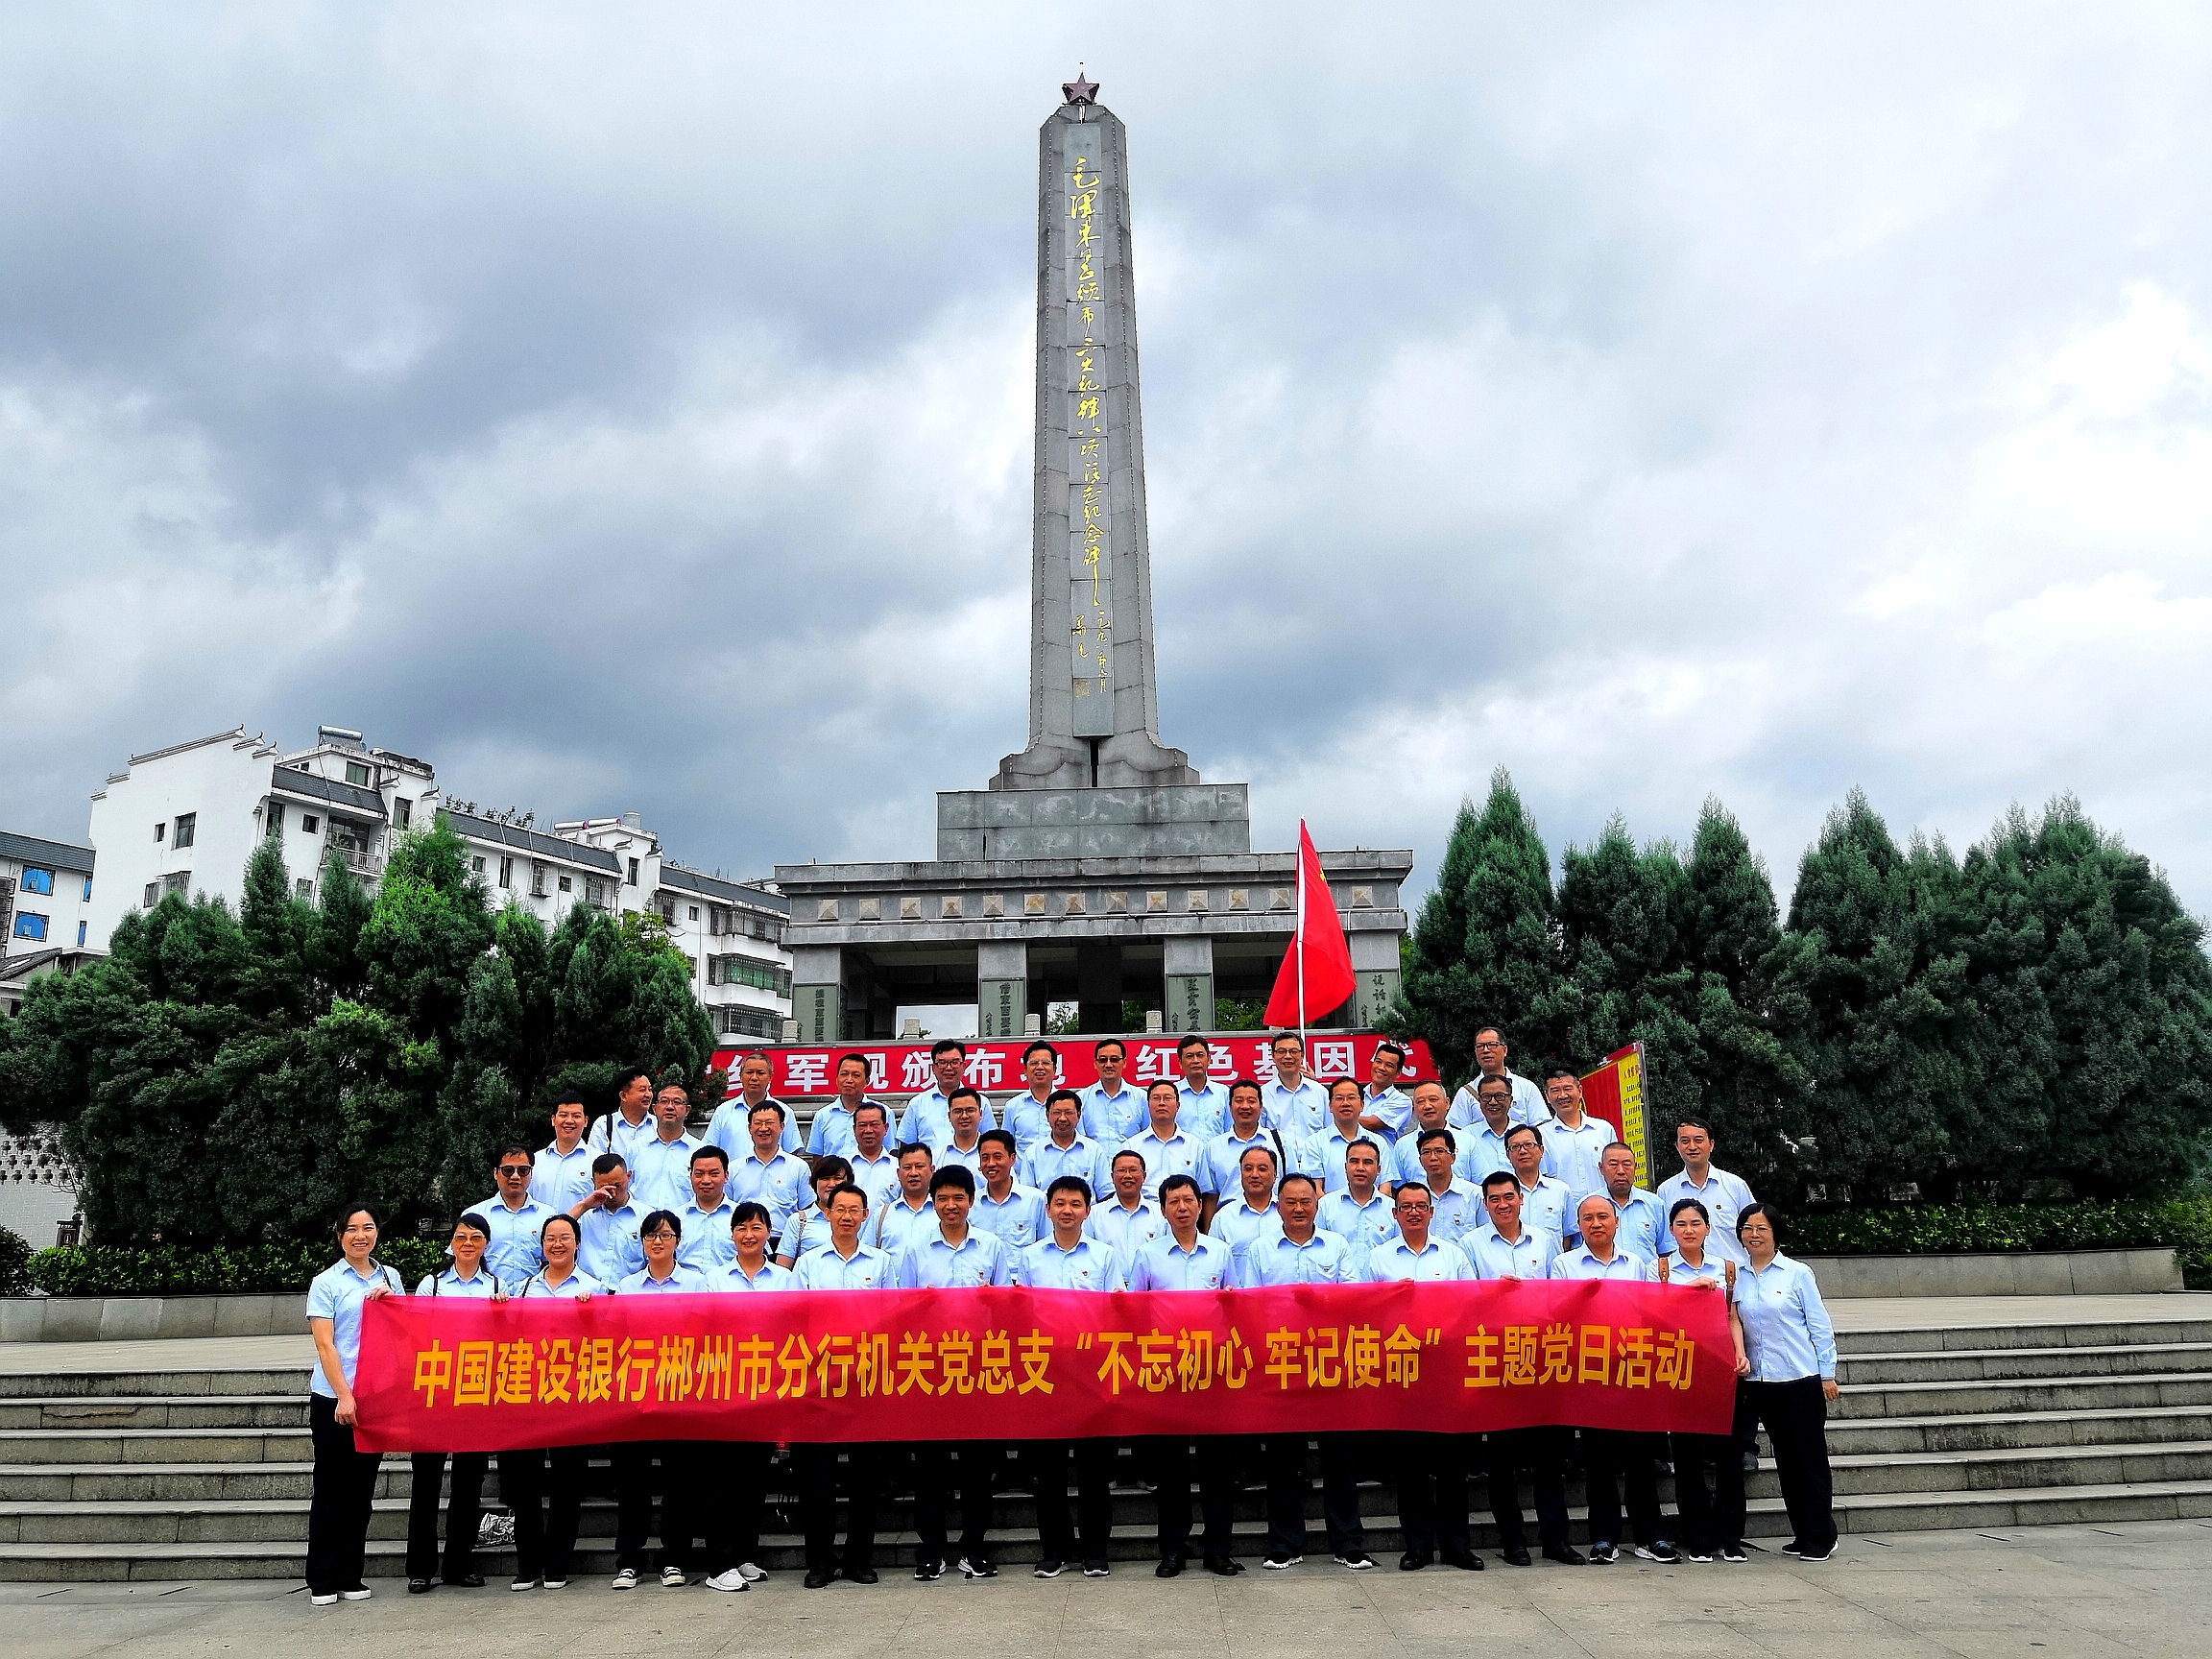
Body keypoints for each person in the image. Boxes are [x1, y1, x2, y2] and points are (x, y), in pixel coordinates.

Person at [1238, 1173, 1371, 1572]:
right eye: (1291, 1202)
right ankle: (1284, 1543)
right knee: (1282, 1462)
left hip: (1331, 1365)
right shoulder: (1261, 1250)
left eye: (1306, 1201)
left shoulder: (1337, 1245)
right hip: (1281, 1366)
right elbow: (1250, 1305)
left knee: (1340, 1461)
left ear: (1317, 1205)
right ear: (1279, 1205)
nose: (1299, 1208)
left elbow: (1352, 1297)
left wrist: (1314, 1300)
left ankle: (1347, 1542)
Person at [896, 1166, 1011, 1580]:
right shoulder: (915, 1250)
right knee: (931, 1471)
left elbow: (1005, 1309)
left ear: (970, 1200)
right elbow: (902, 1310)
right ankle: (931, 1551)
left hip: (979, 1371)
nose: (950, 1206)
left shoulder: (992, 1246)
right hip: (929, 1372)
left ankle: (973, 1549)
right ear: (933, 1202)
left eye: (958, 1198)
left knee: (977, 1470)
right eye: (942, 1198)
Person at [1013, 1176, 1125, 1577]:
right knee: (1050, 1472)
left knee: (1094, 1472)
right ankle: (1055, 1549)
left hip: (1093, 1372)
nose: (1066, 1210)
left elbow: (1115, 1309)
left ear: (1087, 1210)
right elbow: (1022, 1313)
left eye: (1075, 1204)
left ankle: (1095, 1550)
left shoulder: (1105, 1256)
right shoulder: (1030, 1257)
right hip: (1046, 1373)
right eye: (1059, 1203)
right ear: (1047, 1210)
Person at [1127, 1173, 1238, 1576]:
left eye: (1189, 1199)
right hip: (1166, 1373)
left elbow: (1235, 1307)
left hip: (1212, 1373)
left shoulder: (1220, 1252)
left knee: (1217, 1469)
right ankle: (1173, 1548)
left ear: (1199, 1205)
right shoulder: (1148, 1255)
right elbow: (1135, 1313)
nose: (1183, 1207)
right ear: (1163, 1209)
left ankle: (1218, 1548)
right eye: (1174, 1201)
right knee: (1171, 1468)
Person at [1363, 1184, 1478, 1572]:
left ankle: (1457, 1546)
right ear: (1394, 1214)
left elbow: (1470, 1306)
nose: (1413, 1213)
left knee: (1451, 1467)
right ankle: (1417, 1546)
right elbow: (1369, 1313)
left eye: (1420, 1207)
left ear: (1432, 1212)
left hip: (1446, 1369)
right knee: (1411, 1467)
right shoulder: (1378, 1259)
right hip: (1403, 1371)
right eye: (1405, 1207)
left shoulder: (1454, 1256)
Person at [1551, 1195, 1670, 1564]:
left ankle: (1651, 1536)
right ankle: (1604, 1537)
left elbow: (1653, 1312)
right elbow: (1556, 1312)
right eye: (1587, 1218)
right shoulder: (1564, 1264)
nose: (1596, 1223)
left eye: (1603, 1216)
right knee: (1598, 1461)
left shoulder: (1637, 1264)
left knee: (1640, 1460)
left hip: (1632, 1372)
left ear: (1617, 1222)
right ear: (1579, 1225)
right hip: (1588, 1373)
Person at [790, 1183, 896, 1587]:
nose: (847, 1216)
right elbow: (797, 1319)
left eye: (855, 1210)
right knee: (817, 1483)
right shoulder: (809, 1264)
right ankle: (819, 1562)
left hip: (866, 1383)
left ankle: (858, 1560)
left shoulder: (882, 1262)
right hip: (819, 1383)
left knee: (864, 1482)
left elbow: (891, 1318)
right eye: (840, 1209)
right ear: (827, 1213)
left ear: (865, 1216)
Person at [304, 1203, 402, 1606]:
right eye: (352, 1229)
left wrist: (392, 1301)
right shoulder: (326, 1282)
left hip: (375, 1397)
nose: (361, 1235)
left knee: (361, 1491)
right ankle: (321, 1577)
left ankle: (350, 1573)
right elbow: (326, 1345)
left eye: (368, 1228)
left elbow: (401, 1331)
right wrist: (344, 1394)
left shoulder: (390, 1277)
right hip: (333, 1396)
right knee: (331, 1488)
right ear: (340, 1235)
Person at [406, 1213, 509, 1595]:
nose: (468, 1243)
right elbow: (413, 1330)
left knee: (468, 1484)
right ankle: (420, 1568)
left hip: (477, 1394)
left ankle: (459, 1564)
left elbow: (508, 1336)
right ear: (450, 1243)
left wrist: (503, 1311)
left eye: (477, 1237)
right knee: (426, 1484)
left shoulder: (498, 1286)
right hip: (434, 1393)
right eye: (462, 1236)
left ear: (486, 1245)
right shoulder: (431, 1284)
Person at [1735, 1202, 1839, 1561]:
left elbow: (1819, 1324)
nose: (1754, 1235)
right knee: (1785, 1460)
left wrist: (1827, 1373)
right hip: (1759, 1381)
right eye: (1748, 1228)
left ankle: (1820, 1536)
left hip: (1799, 1378)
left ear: (1776, 1232)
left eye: (1761, 1228)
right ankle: (1803, 1531)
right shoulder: (1738, 1276)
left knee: (1808, 1459)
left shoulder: (1796, 1273)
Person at [506, 1214, 602, 1593]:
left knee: (568, 1484)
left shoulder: (595, 1288)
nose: (557, 1244)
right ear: (542, 1245)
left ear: (577, 1243)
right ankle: (527, 1565)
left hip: (573, 1398)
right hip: (528, 1398)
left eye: (565, 1237)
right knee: (524, 1485)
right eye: (550, 1238)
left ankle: (558, 1563)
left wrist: (594, 1311)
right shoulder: (523, 1289)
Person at [610, 1213, 706, 1590]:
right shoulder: (627, 1285)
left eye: (665, 1234)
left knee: (678, 1483)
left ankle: (674, 1558)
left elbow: (704, 1334)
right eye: (651, 1234)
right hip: (636, 1396)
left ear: (678, 1240)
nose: (658, 1241)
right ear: (642, 1241)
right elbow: (618, 1337)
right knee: (632, 1484)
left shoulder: (696, 1283)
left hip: (681, 1394)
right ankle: (629, 1560)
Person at [1652, 1198, 1750, 1563]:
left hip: (1720, 1369)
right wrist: (1687, 1291)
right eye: (1680, 1224)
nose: (1688, 1230)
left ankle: (1731, 1536)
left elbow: (1732, 1317)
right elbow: (1654, 1317)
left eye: (1695, 1223)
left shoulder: (1727, 1269)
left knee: (1729, 1458)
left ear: (1708, 1228)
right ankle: (1698, 1535)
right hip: (1679, 1370)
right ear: (1671, 1230)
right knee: (1688, 1459)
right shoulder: (1659, 1269)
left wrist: (1739, 1353)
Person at [1657, 1118, 1757, 1266]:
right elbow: (1665, 1241)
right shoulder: (1665, 1191)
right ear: (1677, 1146)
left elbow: (1754, 1230)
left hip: (1733, 1276)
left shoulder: (1735, 1186)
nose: (1692, 1146)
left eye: (1698, 1140)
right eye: (1685, 1141)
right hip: (1686, 1278)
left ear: (1711, 1144)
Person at [1196, 1079, 1282, 1226]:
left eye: (1251, 1101)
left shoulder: (1280, 1142)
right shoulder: (1214, 1147)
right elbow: (1210, 1197)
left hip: (1275, 1220)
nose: (1245, 1106)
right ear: (1230, 1107)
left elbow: (1291, 1185)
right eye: (1239, 1101)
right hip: (1229, 1223)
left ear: (1261, 1106)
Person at [726, 1099, 811, 1243]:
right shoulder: (734, 1169)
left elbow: (807, 1210)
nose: (763, 1128)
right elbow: (727, 1209)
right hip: (745, 1242)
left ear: (782, 1126)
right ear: (749, 1128)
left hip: (786, 1244)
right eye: (758, 1123)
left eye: (769, 1123)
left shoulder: (798, 1167)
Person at [1536, 1065, 1615, 1214]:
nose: (1562, 1096)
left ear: (1579, 1091)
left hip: (1603, 1214)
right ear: (1547, 1096)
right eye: (1555, 1091)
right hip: (1562, 1215)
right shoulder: (1540, 1135)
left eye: (1567, 1089)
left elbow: (1615, 1170)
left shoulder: (1603, 1129)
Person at [705, 1049, 804, 1161]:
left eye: (760, 1073)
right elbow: (709, 1150)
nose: (754, 1078)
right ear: (740, 1076)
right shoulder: (723, 1111)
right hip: (733, 1177)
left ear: (770, 1077)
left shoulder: (784, 1112)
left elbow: (792, 1154)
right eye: (749, 1072)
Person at [1316, 1139, 1399, 1270]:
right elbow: (1317, 1251)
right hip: (1338, 1287)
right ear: (1345, 1167)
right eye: (1354, 1161)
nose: (1360, 1168)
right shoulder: (1325, 1206)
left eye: (1367, 1162)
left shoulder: (1393, 1209)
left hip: (1380, 1287)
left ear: (1378, 1170)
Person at [900, 1039, 996, 1150]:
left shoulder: (981, 1102)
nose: (948, 1068)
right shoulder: (917, 1104)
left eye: (954, 1062)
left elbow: (992, 1141)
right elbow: (906, 1147)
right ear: (933, 1068)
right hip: (932, 1166)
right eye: (942, 1063)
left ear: (964, 1066)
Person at [1465, 1170, 1558, 1281]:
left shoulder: (1542, 1240)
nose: (1503, 1205)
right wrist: (1494, 1290)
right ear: (1485, 1204)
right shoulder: (1470, 1244)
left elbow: (1555, 1288)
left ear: (1521, 1198)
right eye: (1495, 1199)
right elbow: (1466, 1294)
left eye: (1509, 1197)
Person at [1019, 1087, 1110, 1199]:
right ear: (1047, 1115)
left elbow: (1105, 1193)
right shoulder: (1033, 1153)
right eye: (1056, 1113)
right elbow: (1027, 1196)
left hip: (1087, 1215)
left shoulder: (1094, 1150)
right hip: (1046, 1215)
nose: (1062, 1118)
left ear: (1079, 1115)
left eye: (1068, 1113)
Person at [1205, 1143, 1282, 1277]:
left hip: (1280, 1295)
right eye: (1248, 1169)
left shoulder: (1287, 1215)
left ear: (1275, 1175)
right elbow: (1212, 1265)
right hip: (1239, 1295)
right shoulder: (1224, 1218)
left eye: (1262, 1169)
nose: (1254, 1175)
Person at [628, 1082, 705, 1214]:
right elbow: (626, 1189)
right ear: (654, 1108)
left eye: (677, 1102)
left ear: (687, 1110)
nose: (670, 1107)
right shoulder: (636, 1148)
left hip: (683, 1227)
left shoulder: (699, 1151)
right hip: (642, 1226)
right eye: (664, 1101)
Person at [477, 1144, 549, 1286]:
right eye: (508, 1170)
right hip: (488, 1299)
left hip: (532, 1298)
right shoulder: (477, 1215)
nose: (515, 1176)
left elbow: (554, 1262)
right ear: (495, 1173)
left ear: (531, 1173)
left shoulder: (547, 1216)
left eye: (523, 1170)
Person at [1086, 1149, 1167, 1272]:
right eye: (1121, 1171)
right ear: (1112, 1177)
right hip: (1107, 1287)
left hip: (1151, 1287)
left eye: (1133, 1170)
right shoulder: (1094, 1214)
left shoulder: (1161, 1214)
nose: (1127, 1176)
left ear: (1144, 1176)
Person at [1450, 1025, 1549, 1127]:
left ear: (1505, 1050)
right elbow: (1457, 1132)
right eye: (1480, 1046)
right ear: (1475, 1052)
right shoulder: (1466, 1093)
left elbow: (1541, 1128)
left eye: (1492, 1045)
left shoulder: (1527, 1088)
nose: (1486, 1050)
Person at [1119, 1078, 1201, 1199]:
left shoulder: (1194, 1145)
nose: (1161, 1103)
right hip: (1144, 1212)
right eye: (1156, 1098)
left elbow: (1204, 1191)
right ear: (1148, 1105)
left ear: (1178, 1105)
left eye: (1167, 1098)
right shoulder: (1131, 1146)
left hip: (1182, 1212)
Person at [570, 1153, 643, 1286]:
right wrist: (584, 1205)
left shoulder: (645, 1217)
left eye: (617, 1186)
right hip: (588, 1293)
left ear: (628, 1177)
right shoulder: (584, 1215)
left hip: (628, 1294)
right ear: (594, 1182)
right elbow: (555, 1230)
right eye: (605, 1188)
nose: (613, 1193)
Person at [773, 1156, 855, 1269]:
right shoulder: (798, 1220)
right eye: (825, 1178)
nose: (831, 1184)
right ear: (814, 1182)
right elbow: (782, 1270)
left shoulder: (858, 1218)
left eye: (837, 1178)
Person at [1407, 1128, 1484, 1248]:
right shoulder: (1411, 1196)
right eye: (1426, 1152)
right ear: (1420, 1160)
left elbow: (1484, 1236)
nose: (1433, 1157)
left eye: (1439, 1151)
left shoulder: (1474, 1195)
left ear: (1452, 1157)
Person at [972, 1129, 1048, 1249]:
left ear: (1012, 1159)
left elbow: (1046, 1245)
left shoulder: (1035, 1200)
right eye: (985, 1157)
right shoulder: (972, 1204)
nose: (991, 1163)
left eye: (997, 1157)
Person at [1392, 1080, 1475, 1187]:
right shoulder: (1402, 1145)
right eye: (1420, 1101)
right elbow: (1398, 1189)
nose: (1427, 1106)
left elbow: (1479, 1184)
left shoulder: (1467, 1141)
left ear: (1447, 1103)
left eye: (1433, 1099)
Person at [1599, 1142, 1671, 1263]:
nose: (1621, 1171)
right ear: (1601, 1168)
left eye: (1627, 1164)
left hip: (1647, 1280)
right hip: (1605, 1281)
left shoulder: (1655, 1204)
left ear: (1635, 1167)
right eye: (1613, 1164)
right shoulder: (1588, 1206)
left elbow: (1667, 1251)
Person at [674, 1145, 739, 1274]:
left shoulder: (742, 1217)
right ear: (690, 1176)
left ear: (726, 1176)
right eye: (699, 1174)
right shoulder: (675, 1219)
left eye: (713, 1174)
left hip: (728, 1288)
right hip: (686, 1290)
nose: (706, 1180)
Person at [1503, 1125, 1574, 1243]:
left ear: (1541, 1150)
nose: (1522, 1151)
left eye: (1528, 1145)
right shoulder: (1501, 1194)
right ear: (1508, 1156)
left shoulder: (1560, 1190)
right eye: (1515, 1147)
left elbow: (1568, 1236)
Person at [802, 1051, 878, 1160]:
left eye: (856, 1075)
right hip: (832, 1176)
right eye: (844, 1074)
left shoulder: (882, 1113)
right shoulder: (823, 1116)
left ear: (867, 1081)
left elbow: (890, 1154)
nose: (849, 1080)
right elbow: (818, 1159)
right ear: (837, 1079)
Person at [529, 1092, 596, 1212]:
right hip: (541, 1230)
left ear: (585, 1121)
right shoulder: (535, 1161)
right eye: (563, 1115)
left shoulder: (597, 1161)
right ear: (553, 1120)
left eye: (576, 1116)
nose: (569, 1121)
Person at [871, 1142, 940, 1257]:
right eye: (907, 1168)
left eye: (919, 1167)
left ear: (932, 1170)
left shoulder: (943, 1212)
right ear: (898, 1173)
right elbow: (870, 1258)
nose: (913, 1173)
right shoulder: (881, 1215)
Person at [1311, 1077, 1378, 1194]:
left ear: (1362, 1104)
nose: (1345, 1103)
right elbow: (1315, 1188)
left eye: (1351, 1098)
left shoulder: (1378, 1142)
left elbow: (1385, 1187)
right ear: (1330, 1106)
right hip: (1330, 1212)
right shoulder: (1315, 1143)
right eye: (1339, 1098)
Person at [713, 1200, 796, 1291]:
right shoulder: (715, 1279)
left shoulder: (785, 1278)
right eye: (742, 1229)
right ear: (732, 1234)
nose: (749, 1235)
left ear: (769, 1232)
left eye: (756, 1228)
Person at [587, 1066, 658, 1166]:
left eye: (650, 1090)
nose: (648, 1095)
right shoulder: (604, 1125)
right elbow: (596, 1166)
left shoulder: (658, 1125)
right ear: (623, 1096)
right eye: (642, 1090)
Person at [1261, 1032, 1328, 1137]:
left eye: (1293, 1051)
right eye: (1281, 1051)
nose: (1288, 1056)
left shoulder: (1320, 1092)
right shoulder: (1263, 1095)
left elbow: (1329, 1130)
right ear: (1273, 1056)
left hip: (1314, 1153)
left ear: (1302, 1055)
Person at [1080, 1037, 1144, 1143]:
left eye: (1114, 1059)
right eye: (1103, 1060)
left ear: (1124, 1063)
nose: (1108, 1065)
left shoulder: (1141, 1098)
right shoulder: (1081, 1099)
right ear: (1095, 1064)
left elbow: (1146, 1137)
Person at [1002, 1040, 1061, 1158]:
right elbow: (1006, 1147)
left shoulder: (1068, 1103)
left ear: (1054, 1069)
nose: (1040, 1067)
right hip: (1023, 1175)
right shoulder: (1013, 1106)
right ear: (1025, 1070)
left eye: (1045, 1063)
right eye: (1034, 1063)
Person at [1459, 1075, 1523, 1181]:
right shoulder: (1466, 1137)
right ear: (1479, 1101)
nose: (1492, 1102)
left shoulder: (1524, 1134)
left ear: (1510, 1100)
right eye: (1486, 1096)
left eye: (1499, 1096)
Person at [844, 1102, 902, 1211]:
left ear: (886, 1128)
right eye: (862, 1125)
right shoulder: (843, 1166)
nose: (868, 1130)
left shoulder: (898, 1167)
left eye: (874, 1125)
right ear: (854, 1129)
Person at [1173, 1033, 1230, 1140]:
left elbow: (1230, 1131)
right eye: (1189, 1056)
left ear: (1209, 1059)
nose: (1195, 1060)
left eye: (1200, 1055)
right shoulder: (1171, 1094)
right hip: (1184, 1155)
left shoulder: (1223, 1093)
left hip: (1216, 1155)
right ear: (1180, 1062)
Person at [1357, 1040, 1413, 1134]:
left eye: (1389, 1065)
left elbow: (1371, 1124)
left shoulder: (1402, 1101)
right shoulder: (1356, 1094)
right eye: (1378, 1062)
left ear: (1398, 1073)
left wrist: (1340, 1117)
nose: (1381, 1068)